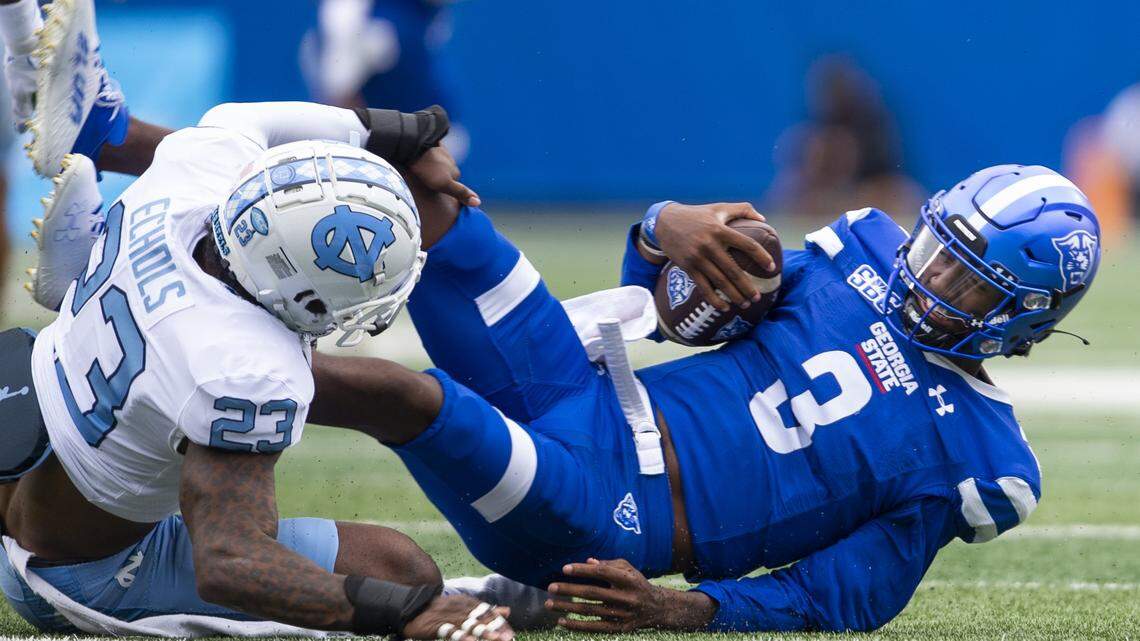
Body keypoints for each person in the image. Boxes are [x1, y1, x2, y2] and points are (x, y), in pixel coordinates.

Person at [8, 1, 1102, 633]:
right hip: (583, 386)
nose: (931, 281)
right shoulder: (857, 250)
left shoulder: (978, 453)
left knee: (406, 394)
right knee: (436, 204)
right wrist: (665, 226)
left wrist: (696, 611)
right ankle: (110, 142)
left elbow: (855, 590)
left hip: (608, 509)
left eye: (968, 286)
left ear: (1023, 318)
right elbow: (684, 310)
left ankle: (159, 310)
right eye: (937, 251)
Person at [0, 1, 519, 637]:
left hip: (32, 446)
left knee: (389, 391)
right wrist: (408, 612)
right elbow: (232, 560)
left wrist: (404, 131)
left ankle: (93, 204)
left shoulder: (189, 178)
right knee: (401, 567)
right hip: (80, 569)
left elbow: (247, 120)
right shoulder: (242, 369)